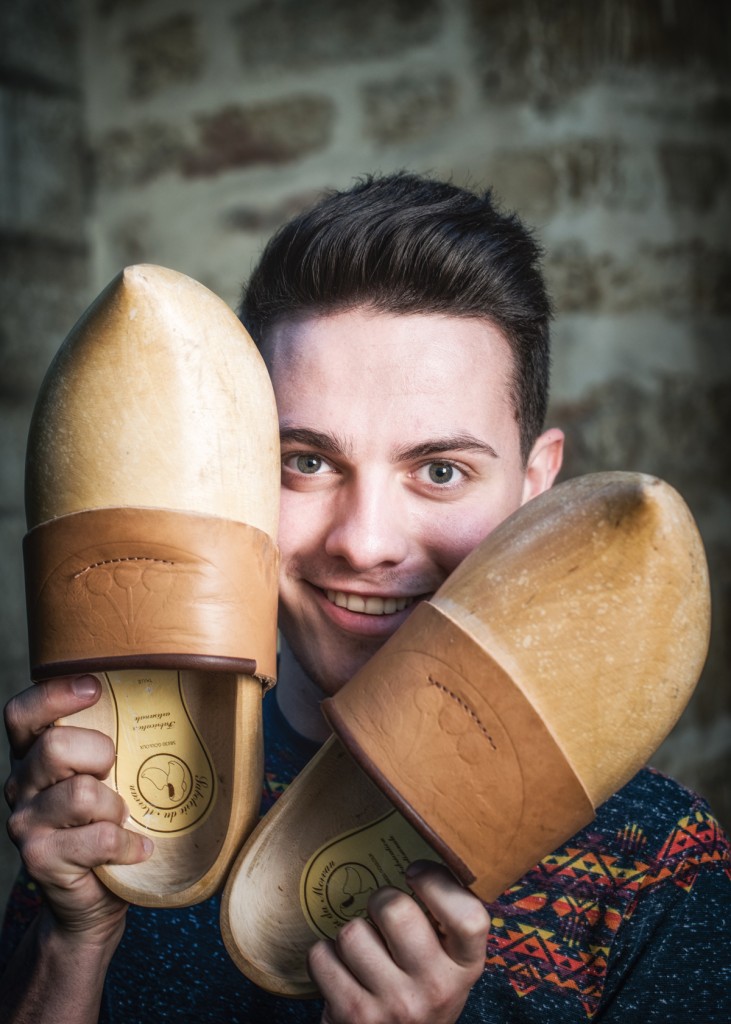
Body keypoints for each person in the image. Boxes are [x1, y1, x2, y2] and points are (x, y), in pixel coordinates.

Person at [1, 172, 729, 1024]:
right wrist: (69, 944)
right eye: (306, 462)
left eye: (440, 471)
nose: (364, 541)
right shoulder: (106, 790)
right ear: (235, 472)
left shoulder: (656, 864)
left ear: (536, 489)